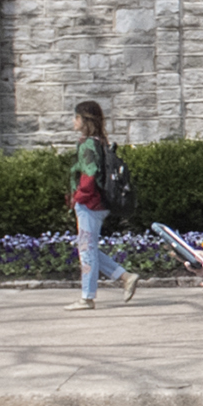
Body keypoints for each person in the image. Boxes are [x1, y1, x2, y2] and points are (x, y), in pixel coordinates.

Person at [68, 99, 138, 310]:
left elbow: (89, 176)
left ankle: (87, 297)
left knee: (86, 251)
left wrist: (78, 198)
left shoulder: (88, 143)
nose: (74, 121)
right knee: (87, 248)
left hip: (90, 204)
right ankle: (124, 276)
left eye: (76, 117)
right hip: (98, 204)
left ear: (83, 120)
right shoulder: (100, 141)